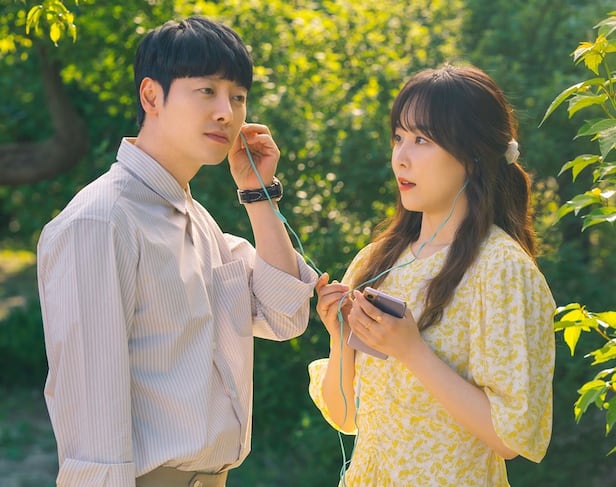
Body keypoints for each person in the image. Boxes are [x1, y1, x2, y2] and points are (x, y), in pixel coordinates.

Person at [37, 16, 318, 487]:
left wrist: (259, 193)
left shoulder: (196, 220)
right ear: (152, 97)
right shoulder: (102, 222)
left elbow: (283, 314)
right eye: (207, 90)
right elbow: (90, 412)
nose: (226, 112)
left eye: (238, 96)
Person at [309, 64, 555, 486]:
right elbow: (346, 416)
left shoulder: (501, 269)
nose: (401, 157)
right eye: (398, 138)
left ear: (472, 155)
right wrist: (338, 336)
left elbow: (510, 438)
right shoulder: (375, 260)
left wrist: (413, 352)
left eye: (422, 140)